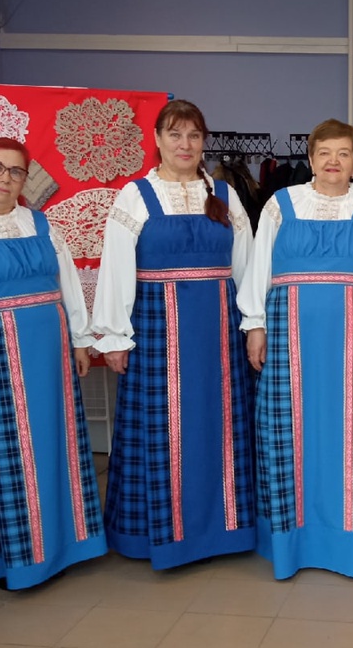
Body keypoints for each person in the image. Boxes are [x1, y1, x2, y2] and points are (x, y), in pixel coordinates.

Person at [0, 137, 106, 589]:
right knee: (6, 454)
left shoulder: (42, 223)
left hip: (48, 355)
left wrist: (80, 340)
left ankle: (65, 544)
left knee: (54, 443)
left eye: (15, 171)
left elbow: (67, 285)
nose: (4, 179)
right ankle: (16, 557)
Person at [93, 99, 256, 569]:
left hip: (218, 333)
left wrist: (253, 324)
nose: (185, 144)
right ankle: (160, 535)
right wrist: (114, 336)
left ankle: (223, 529)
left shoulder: (225, 195)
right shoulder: (135, 195)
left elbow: (246, 266)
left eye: (194, 135)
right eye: (175, 134)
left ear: (204, 142)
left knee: (217, 424)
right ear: (158, 140)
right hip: (155, 330)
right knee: (161, 427)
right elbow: (115, 268)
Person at [238, 118, 353, 579]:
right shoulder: (280, 205)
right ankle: (291, 540)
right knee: (287, 432)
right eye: (324, 152)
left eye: (343, 153)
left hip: (352, 346)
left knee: (351, 436)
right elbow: (258, 268)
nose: (333, 161)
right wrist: (255, 325)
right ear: (310, 158)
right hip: (289, 342)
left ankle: (347, 542)